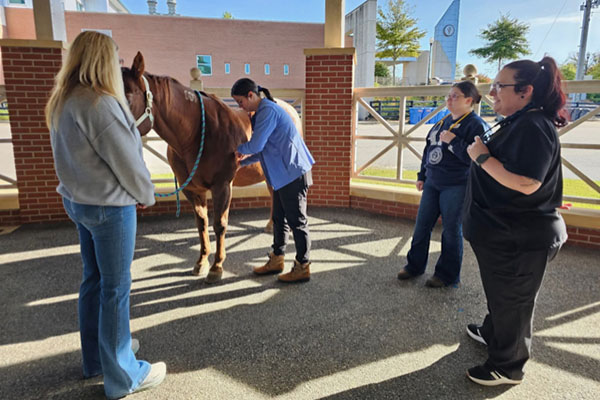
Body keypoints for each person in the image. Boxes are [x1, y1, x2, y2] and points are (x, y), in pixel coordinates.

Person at [45, 31, 166, 398]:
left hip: (78, 203)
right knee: (116, 288)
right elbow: (128, 163)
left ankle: (99, 358)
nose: (117, 66)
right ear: (102, 61)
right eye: (114, 59)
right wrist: (147, 195)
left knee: (93, 281)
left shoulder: (63, 100)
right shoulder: (101, 104)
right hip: (110, 209)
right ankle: (123, 374)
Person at [462, 56, 568, 386]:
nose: (491, 92)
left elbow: (527, 182)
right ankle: (495, 333)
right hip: (502, 232)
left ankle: (507, 366)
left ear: (525, 91)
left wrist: (482, 158)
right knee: (502, 293)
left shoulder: (534, 126)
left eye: (499, 86)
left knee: (514, 301)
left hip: (519, 238)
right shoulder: (520, 121)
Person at [397, 81, 489, 287]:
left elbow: (479, 160)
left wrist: (454, 142)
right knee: (422, 226)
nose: (449, 99)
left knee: (450, 230)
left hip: (456, 184)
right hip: (433, 182)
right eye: (448, 95)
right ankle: (414, 266)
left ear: (469, 100)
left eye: (455, 96)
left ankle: (447, 275)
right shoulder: (443, 121)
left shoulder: (476, 125)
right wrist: (422, 175)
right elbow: (429, 149)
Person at [232, 78, 315, 283]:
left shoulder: (268, 111)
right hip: (281, 176)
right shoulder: (261, 112)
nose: (239, 106)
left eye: (240, 101)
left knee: (297, 222)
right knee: (279, 219)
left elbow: (256, 145)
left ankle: (303, 266)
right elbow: (265, 150)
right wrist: (240, 163)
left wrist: (235, 151)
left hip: (293, 174)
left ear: (251, 96)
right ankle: (277, 259)